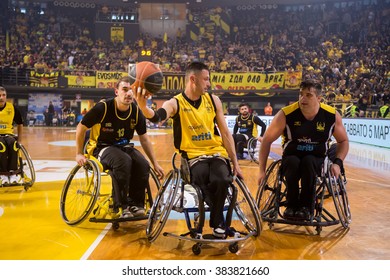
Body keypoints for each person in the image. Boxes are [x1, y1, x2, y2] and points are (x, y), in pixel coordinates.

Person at [135, 61, 243, 238]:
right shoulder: (175, 103)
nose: (209, 83)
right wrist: (143, 107)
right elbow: (158, 117)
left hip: (216, 154)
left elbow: (225, 132)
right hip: (192, 158)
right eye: (206, 79)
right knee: (202, 182)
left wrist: (235, 163)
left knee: (222, 180)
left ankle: (216, 223)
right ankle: (220, 223)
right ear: (193, 79)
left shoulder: (213, 100)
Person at [257, 80, 349, 220]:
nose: (302, 98)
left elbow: (343, 141)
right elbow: (266, 141)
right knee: (293, 162)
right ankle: (291, 205)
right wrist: (261, 171)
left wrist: (337, 163)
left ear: (319, 98)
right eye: (301, 94)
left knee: (309, 161)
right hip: (292, 155)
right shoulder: (286, 114)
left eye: (308, 95)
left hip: (316, 158)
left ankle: (306, 206)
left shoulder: (331, 115)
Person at [75, 76, 164, 218]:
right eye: (125, 89)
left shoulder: (135, 111)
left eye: (131, 91)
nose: (129, 93)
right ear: (116, 92)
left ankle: (136, 204)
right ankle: (120, 206)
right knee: (123, 161)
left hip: (123, 147)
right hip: (101, 147)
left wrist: (155, 163)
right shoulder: (103, 107)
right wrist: (79, 153)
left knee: (142, 164)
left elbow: (145, 139)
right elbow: (81, 128)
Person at [0, 86, 24, 185]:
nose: (1, 97)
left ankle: (13, 173)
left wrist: (20, 139)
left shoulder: (12, 108)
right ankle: (2, 175)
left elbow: (20, 123)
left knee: (14, 144)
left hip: (8, 135)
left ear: (6, 96)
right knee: (1, 146)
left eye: (3, 95)